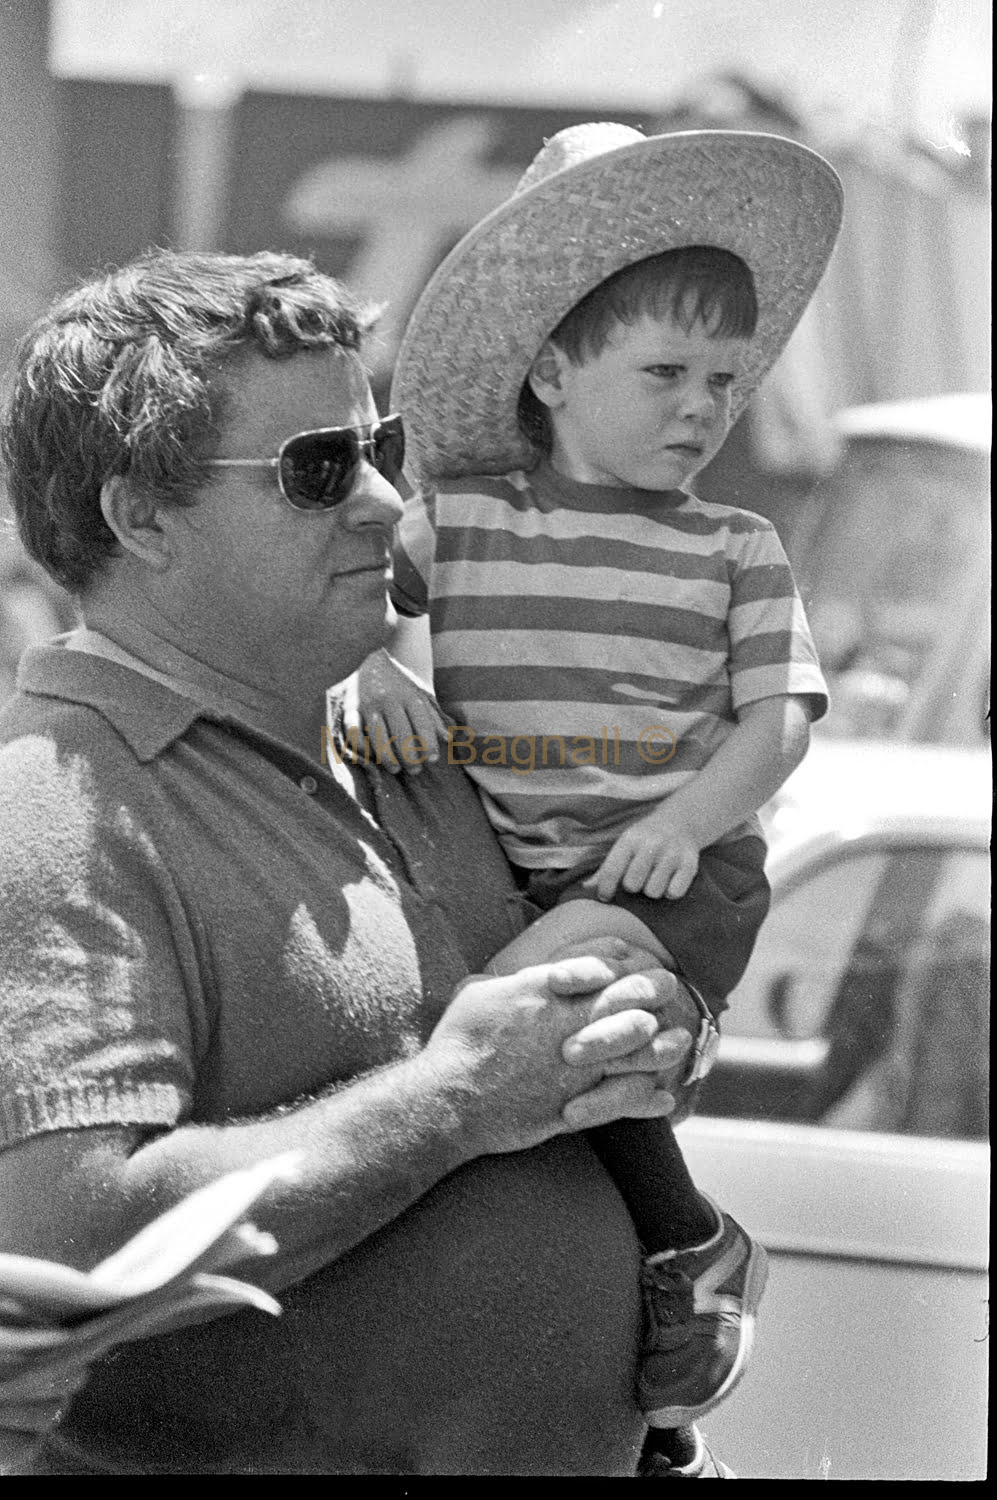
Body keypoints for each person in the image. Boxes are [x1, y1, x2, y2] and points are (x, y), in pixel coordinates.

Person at [0, 248, 732, 1477]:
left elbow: (554, 1043)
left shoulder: (400, 738)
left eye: (378, 448)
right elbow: (62, 1255)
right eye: (318, 470)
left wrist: (657, 1034)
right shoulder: (58, 807)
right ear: (141, 517)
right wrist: (454, 1098)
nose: (387, 504)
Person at [353, 123, 843, 1438]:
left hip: (672, 877)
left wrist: (685, 823)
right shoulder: (458, 522)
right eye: (666, 370)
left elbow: (778, 721)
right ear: (555, 372)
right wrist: (370, 671)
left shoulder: (734, 546)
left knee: (508, 1013)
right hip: (513, 867)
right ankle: (650, 1381)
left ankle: (696, 1239)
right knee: (530, 1060)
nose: (702, 407)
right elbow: (334, 571)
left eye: (726, 381)